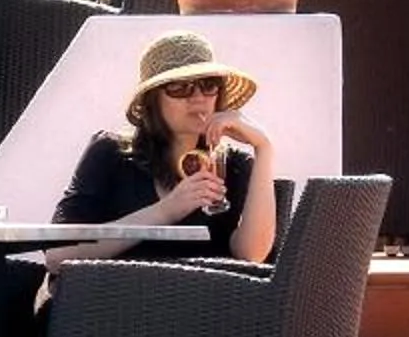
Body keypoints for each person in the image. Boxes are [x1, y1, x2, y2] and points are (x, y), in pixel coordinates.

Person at [45, 30, 280, 267]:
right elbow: (57, 255)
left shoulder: (232, 166)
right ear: (153, 100)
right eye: (180, 87)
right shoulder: (110, 153)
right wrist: (166, 211)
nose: (198, 98)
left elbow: (252, 256)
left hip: (198, 302)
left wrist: (264, 148)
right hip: (109, 300)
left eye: (209, 85)